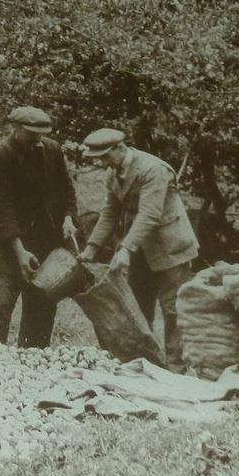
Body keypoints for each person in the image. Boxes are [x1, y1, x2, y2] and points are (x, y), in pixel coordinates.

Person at [79, 128, 199, 372]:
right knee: (136, 308)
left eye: (104, 156)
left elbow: (150, 214)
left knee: (173, 311)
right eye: (97, 157)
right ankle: (146, 363)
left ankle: (177, 369)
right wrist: (91, 249)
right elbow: (110, 213)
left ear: (120, 148)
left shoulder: (154, 169)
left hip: (170, 247)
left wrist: (124, 250)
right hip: (140, 250)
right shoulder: (112, 175)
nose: (101, 162)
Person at [0, 106, 79, 348]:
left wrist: (68, 218)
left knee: (42, 306)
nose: (37, 139)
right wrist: (19, 251)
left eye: (41, 134)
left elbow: (67, 189)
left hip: (46, 241)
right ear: (16, 128)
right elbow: (1, 208)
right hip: (10, 244)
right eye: (32, 134)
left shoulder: (52, 149)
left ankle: (32, 360)